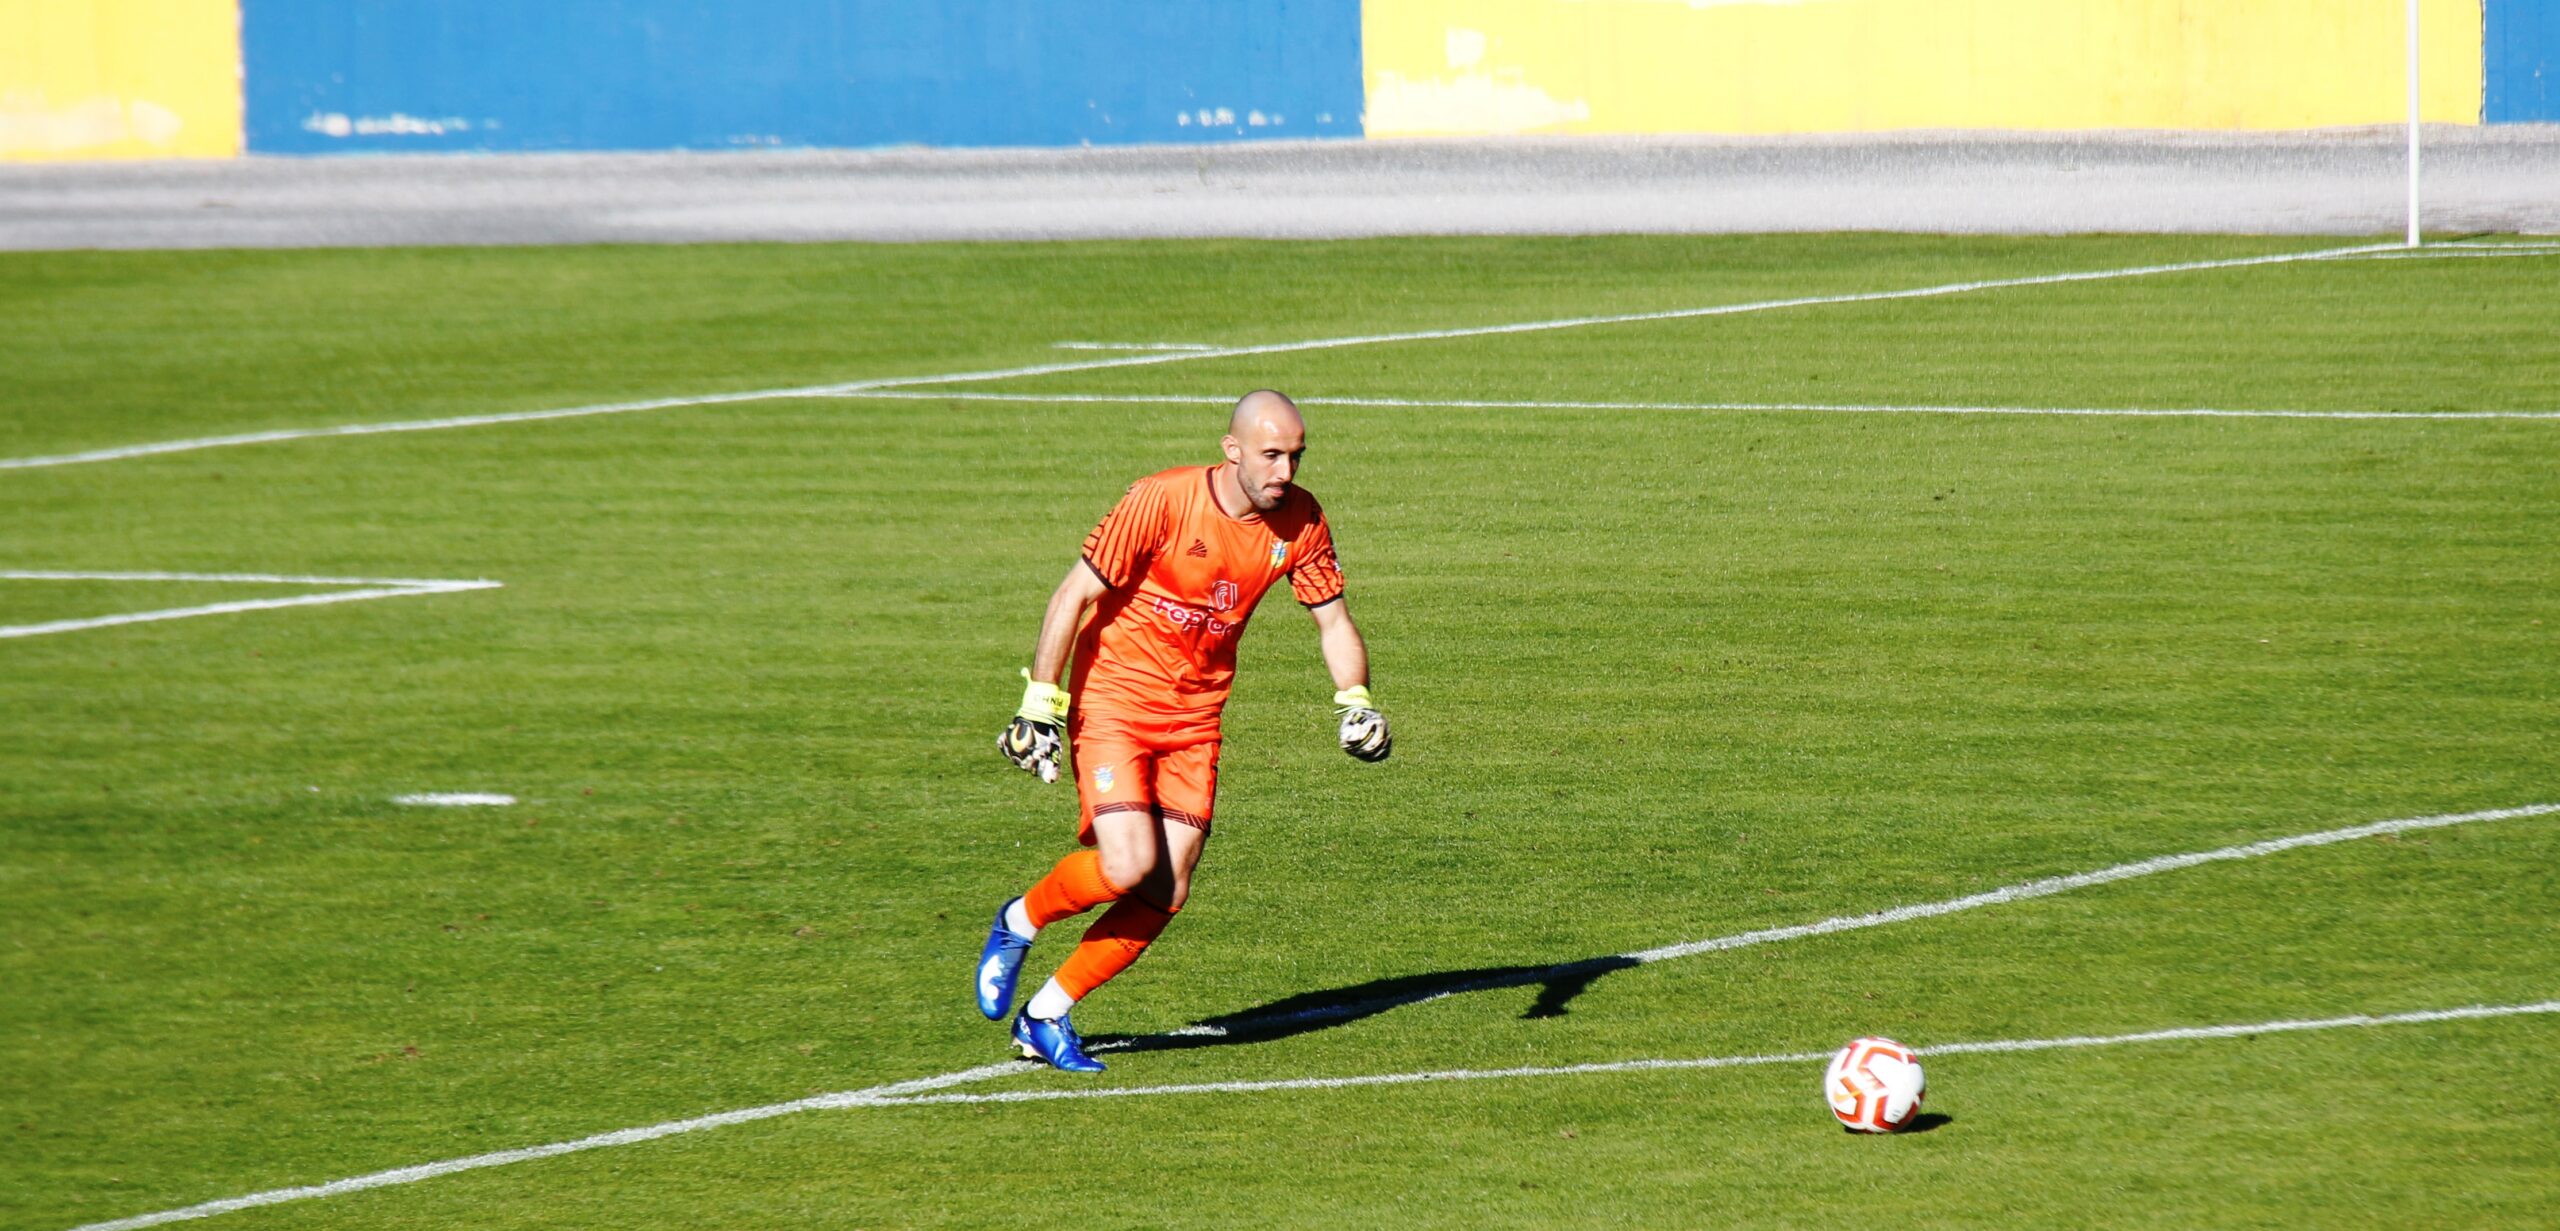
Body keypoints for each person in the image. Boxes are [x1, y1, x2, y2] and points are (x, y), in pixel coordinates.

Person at [978, 389, 1391, 1072]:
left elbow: (1334, 620)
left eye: (1295, 456)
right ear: (1231, 449)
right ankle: (1019, 919)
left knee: (1167, 889)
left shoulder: (1302, 520)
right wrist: (1040, 704)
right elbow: (1073, 593)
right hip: (1114, 701)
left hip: (1196, 717)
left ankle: (1045, 1014)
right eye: (1271, 455)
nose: (1285, 471)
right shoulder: (1162, 500)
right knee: (1127, 865)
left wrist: (1357, 701)